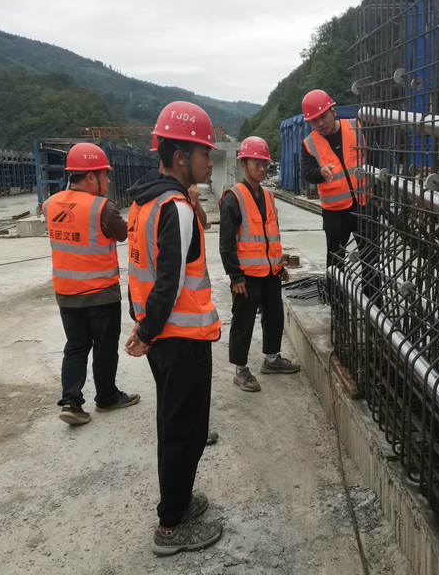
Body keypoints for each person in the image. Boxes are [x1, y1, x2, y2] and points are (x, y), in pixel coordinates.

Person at [124, 101, 223, 556]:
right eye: (205, 152)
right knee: (186, 430)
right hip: (180, 337)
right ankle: (170, 526)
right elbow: (169, 281)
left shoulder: (143, 201)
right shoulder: (177, 208)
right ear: (181, 156)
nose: (210, 161)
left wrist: (144, 327)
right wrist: (147, 331)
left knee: (173, 424)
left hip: (164, 337)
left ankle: (178, 501)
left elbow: (137, 272)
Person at [41, 142, 140, 426]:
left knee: (75, 346)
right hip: (101, 294)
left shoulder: (50, 204)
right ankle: (106, 397)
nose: (108, 181)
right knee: (104, 347)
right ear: (90, 176)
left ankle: (71, 402)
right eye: (104, 175)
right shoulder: (102, 208)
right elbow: (123, 233)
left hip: (66, 294)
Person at [219, 136, 300, 392]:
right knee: (243, 322)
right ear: (243, 164)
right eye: (257, 163)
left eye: (265, 163)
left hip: (270, 272)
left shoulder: (268, 196)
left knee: (274, 316)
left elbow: (271, 237)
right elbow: (226, 244)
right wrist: (235, 276)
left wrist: (279, 265)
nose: (262, 168)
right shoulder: (233, 198)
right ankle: (240, 370)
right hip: (246, 276)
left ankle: (272, 359)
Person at [300, 89, 381, 300]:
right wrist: (320, 172)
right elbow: (307, 173)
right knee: (336, 261)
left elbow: (375, 158)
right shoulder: (309, 144)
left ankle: (374, 304)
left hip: (364, 205)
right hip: (335, 213)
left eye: (322, 117)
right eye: (314, 121)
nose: (319, 124)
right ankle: (338, 305)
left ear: (333, 111)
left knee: (371, 258)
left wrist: (378, 192)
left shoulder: (357, 127)